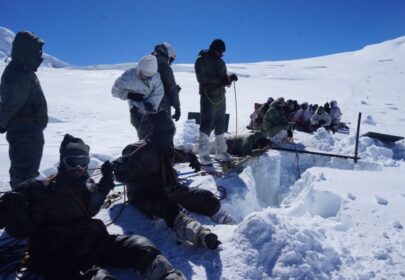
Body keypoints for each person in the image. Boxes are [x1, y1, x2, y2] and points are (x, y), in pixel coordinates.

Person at [0, 134, 184, 280]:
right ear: (62, 161)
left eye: (83, 162)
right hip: (61, 254)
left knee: (139, 246)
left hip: (93, 241)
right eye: (72, 162)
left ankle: (166, 275)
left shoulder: (86, 186)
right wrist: (14, 211)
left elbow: (93, 205)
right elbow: (21, 230)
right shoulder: (39, 189)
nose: (78, 168)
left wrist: (106, 181)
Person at [112, 111, 236, 250]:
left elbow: (176, 153)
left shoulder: (165, 146)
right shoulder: (137, 151)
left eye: (172, 131)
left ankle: (226, 221)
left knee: (208, 198)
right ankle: (197, 234)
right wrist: (120, 169)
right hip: (146, 194)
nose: (170, 136)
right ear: (153, 132)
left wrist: (190, 157)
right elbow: (121, 174)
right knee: (170, 208)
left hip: (171, 188)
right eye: (167, 132)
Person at [0, 31, 48, 189]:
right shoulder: (19, 71)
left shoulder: (23, 69)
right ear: (27, 50)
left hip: (28, 131)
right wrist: (2, 122)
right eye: (37, 51)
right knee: (24, 173)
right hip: (25, 132)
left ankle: (23, 204)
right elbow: (13, 102)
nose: (40, 55)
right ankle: (21, 207)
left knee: (26, 171)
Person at [195, 39, 238, 165]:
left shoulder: (221, 62)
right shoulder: (201, 60)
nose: (220, 54)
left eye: (222, 53)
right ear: (213, 49)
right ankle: (203, 155)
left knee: (220, 124)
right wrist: (220, 81)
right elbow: (201, 79)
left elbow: (223, 77)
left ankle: (221, 152)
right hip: (208, 96)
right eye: (219, 51)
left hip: (220, 97)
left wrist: (229, 78)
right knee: (207, 123)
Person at [112, 54, 166, 140]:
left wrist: (152, 103)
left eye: (149, 76)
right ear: (139, 69)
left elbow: (159, 92)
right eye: (144, 75)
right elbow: (114, 91)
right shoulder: (128, 77)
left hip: (150, 109)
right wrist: (129, 95)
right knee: (144, 136)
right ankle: (145, 150)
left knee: (158, 133)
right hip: (136, 111)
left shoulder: (155, 78)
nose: (146, 78)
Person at [152, 43, 181, 121]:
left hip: (145, 107)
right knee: (164, 132)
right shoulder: (165, 68)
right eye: (171, 59)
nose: (171, 63)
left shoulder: (147, 65)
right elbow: (171, 88)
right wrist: (177, 108)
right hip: (161, 107)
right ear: (167, 55)